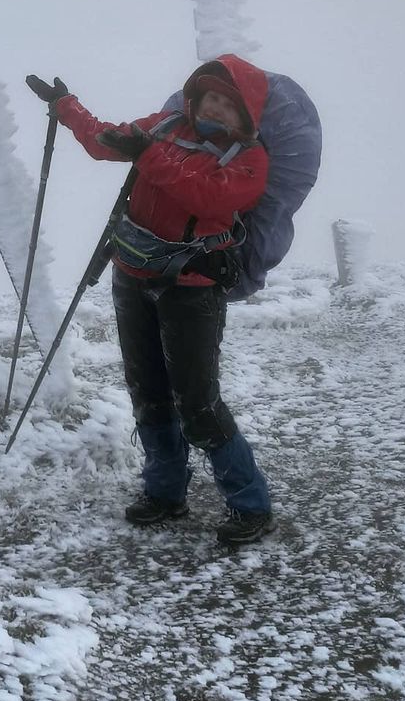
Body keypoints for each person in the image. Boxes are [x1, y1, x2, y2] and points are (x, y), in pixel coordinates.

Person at [27, 55, 275, 546]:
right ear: (195, 96)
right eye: (211, 97)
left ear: (246, 112)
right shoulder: (164, 127)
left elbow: (206, 198)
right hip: (132, 274)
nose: (217, 108)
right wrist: (65, 106)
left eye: (229, 102)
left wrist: (148, 153)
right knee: (148, 392)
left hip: (193, 288)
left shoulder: (249, 159)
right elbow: (105, 142)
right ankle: (165, 493)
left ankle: (251, 504)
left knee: (198, 404)